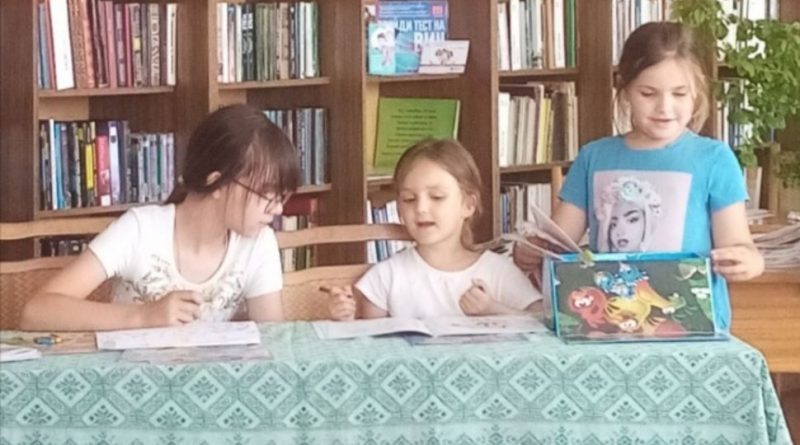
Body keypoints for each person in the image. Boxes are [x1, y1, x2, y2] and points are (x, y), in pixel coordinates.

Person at [514, 22, 763, 282]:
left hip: (691, 308)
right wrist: (529, 252)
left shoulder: (714, 159)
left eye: (679, 94)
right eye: (648, 94)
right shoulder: (594, 157)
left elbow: (739, 244)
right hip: (610, 305)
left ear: (697, 93)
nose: (664, 107)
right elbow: (555, 244)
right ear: (625, 91)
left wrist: (749, 261)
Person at [19, 104, 300, 331]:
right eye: (267, 195)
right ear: (217, 182)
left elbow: (272, 340)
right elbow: (36, 312)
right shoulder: (140, 230)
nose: (277, 210)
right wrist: (144, 316)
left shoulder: (258, 242)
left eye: (282, 197)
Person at [326, 139, 541, 321]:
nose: (420, 208)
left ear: (468, 205)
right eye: (409, 199)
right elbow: (370, 342)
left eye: (437, 197)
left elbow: (543, 322)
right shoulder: (387, 276)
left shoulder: (497, 271)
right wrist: (345, 317)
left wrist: (493, 309)